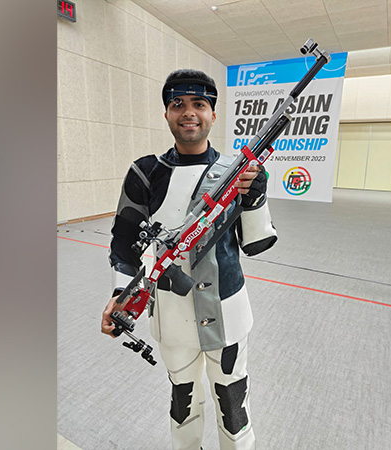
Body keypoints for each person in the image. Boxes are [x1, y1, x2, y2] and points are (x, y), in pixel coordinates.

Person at [101, 69, 277, 450]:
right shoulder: (145, 172)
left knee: (233, 407)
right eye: (177, 104)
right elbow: (124, 242)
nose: (189, 112)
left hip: (228, 312)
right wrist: (122, 297)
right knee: (183, 405)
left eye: (200, 104)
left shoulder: (238, 172)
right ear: (166, 113)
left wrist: (256, 196)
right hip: (170, 313)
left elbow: (256, 244)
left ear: (214, 114)